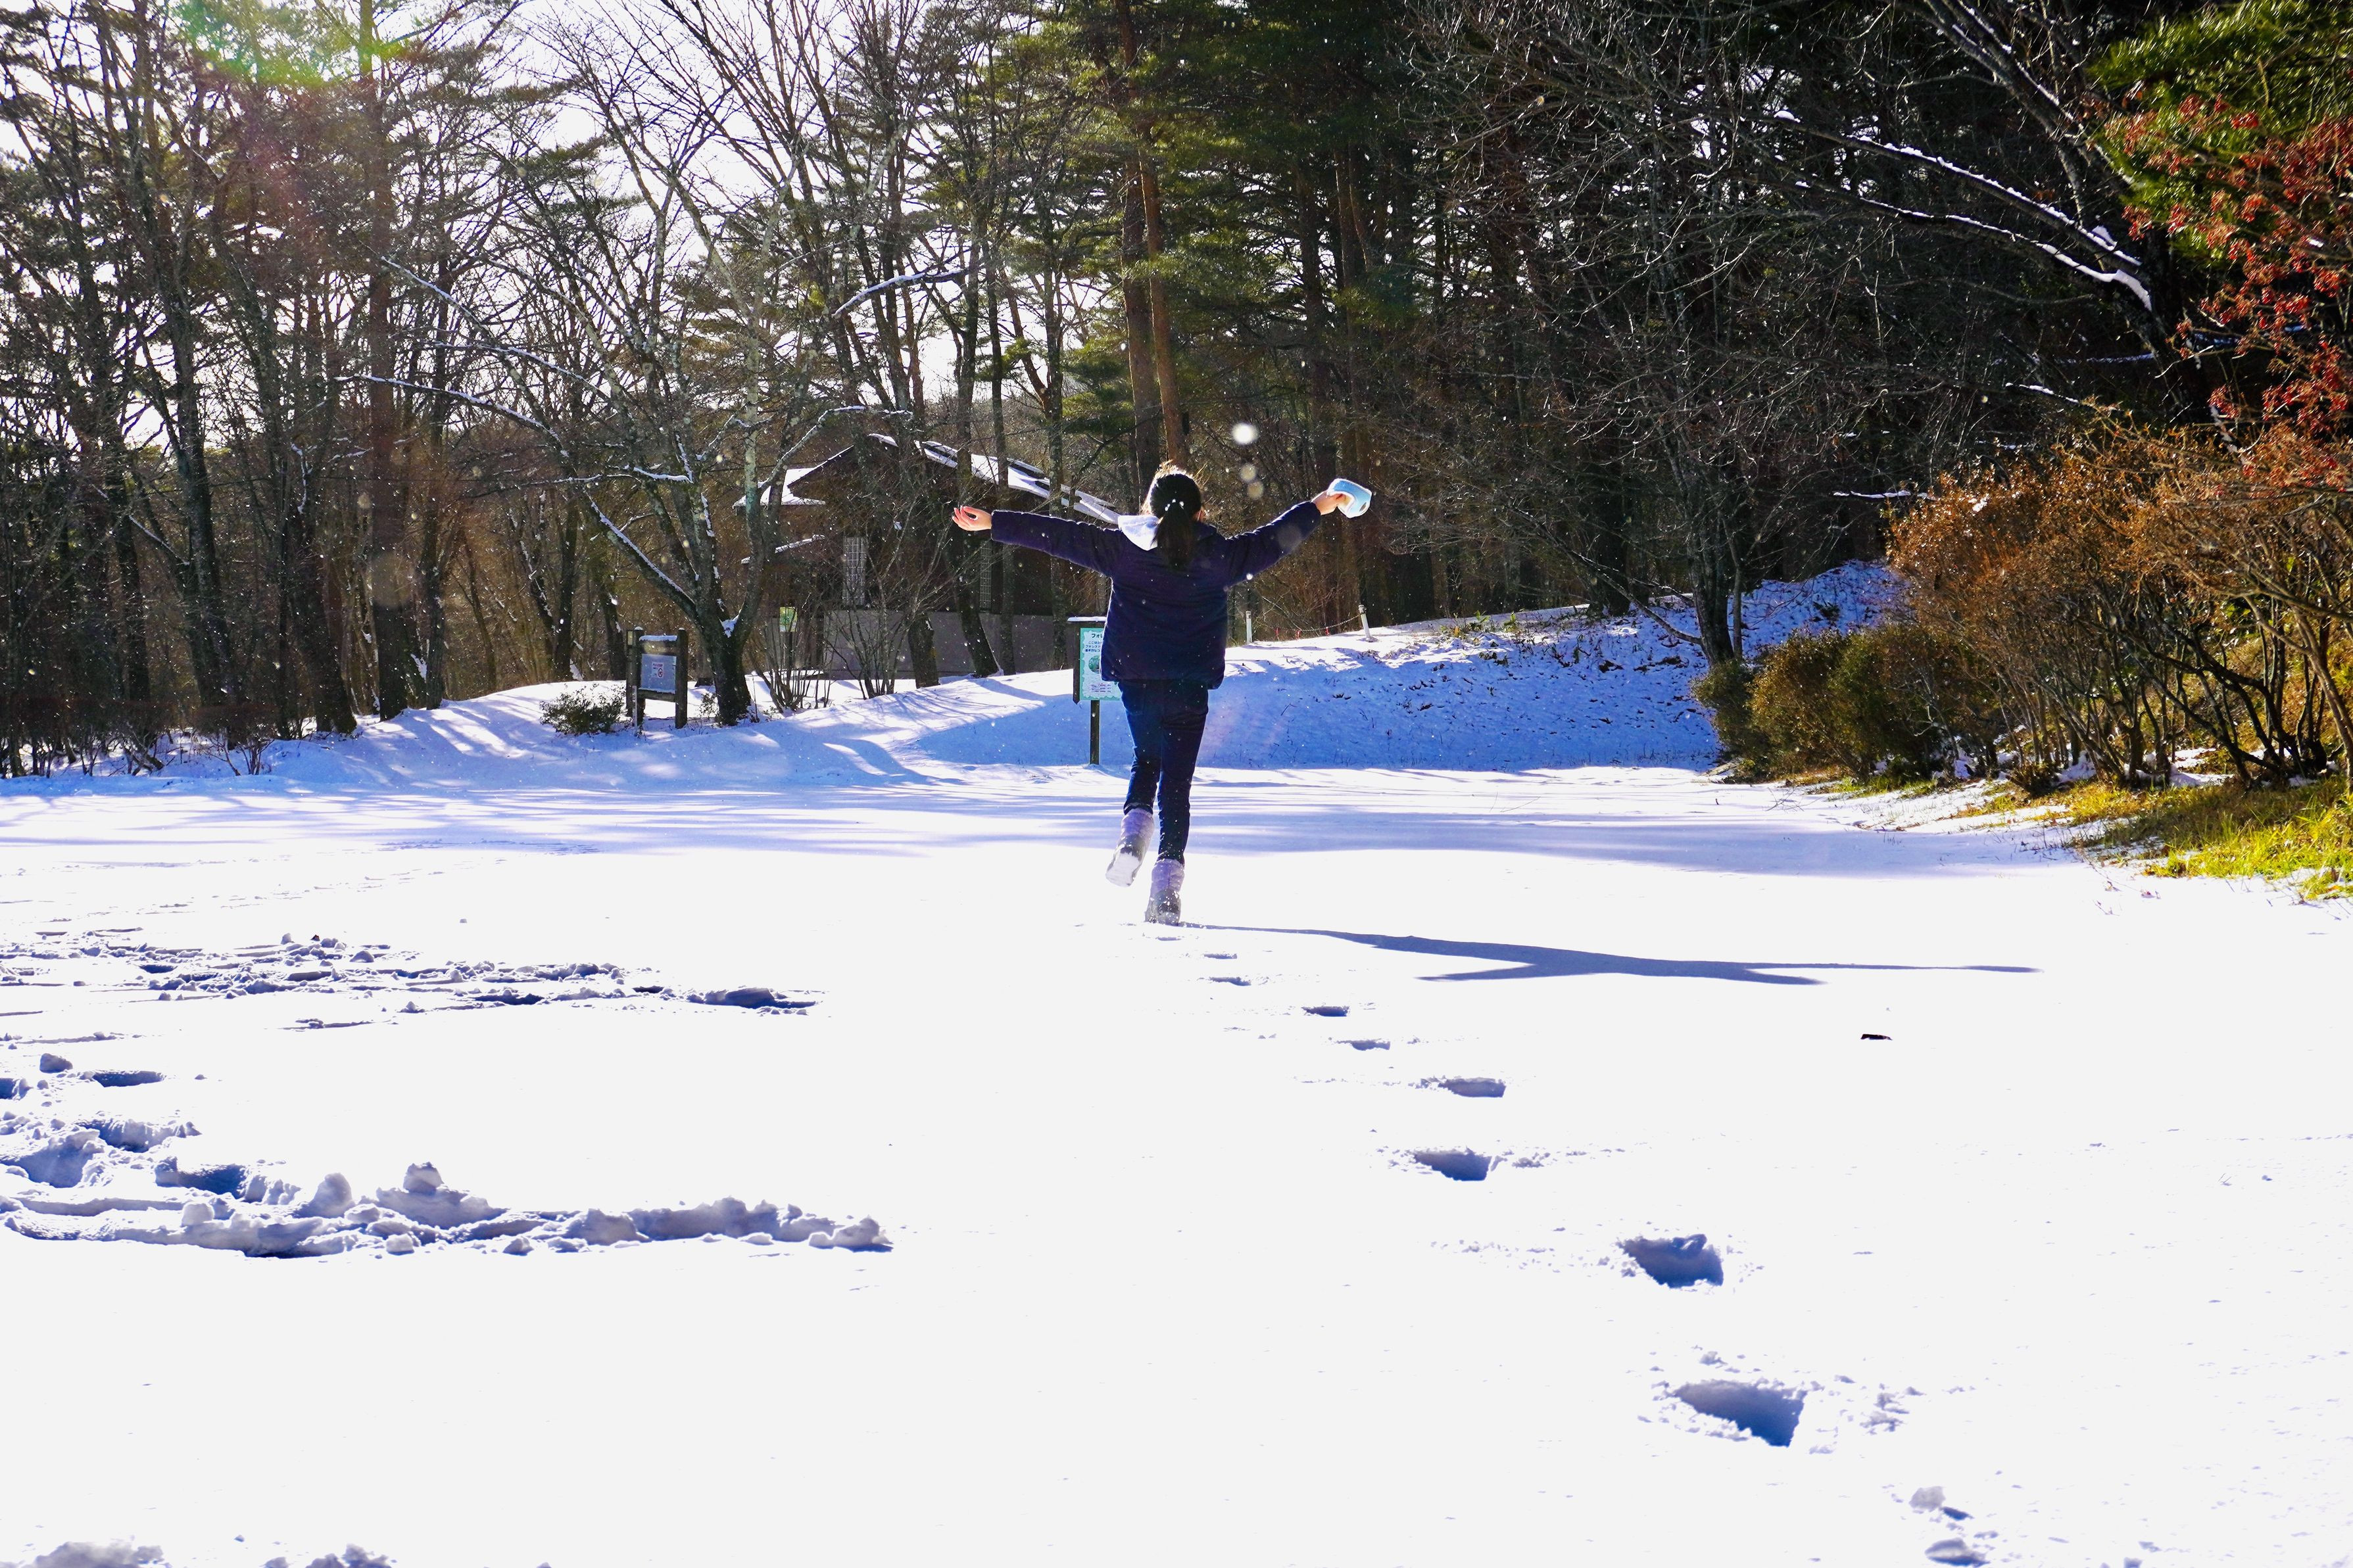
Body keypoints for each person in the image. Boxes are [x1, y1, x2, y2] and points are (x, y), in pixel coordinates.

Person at [953, 467, 1351, 924]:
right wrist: (1319, 506)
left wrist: (996, 522)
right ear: (1201, 513)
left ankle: (1131, 840)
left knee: (1147, 760)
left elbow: (1060, 536)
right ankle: (1165, 890)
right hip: (1189, 685)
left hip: (1138, 682)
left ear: (1150, 510)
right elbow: (1273, 540)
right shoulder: (1221, 557)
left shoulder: (1125, 550)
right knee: (1176, 783)